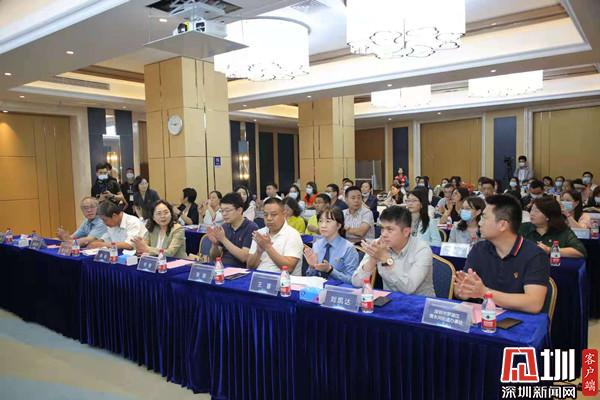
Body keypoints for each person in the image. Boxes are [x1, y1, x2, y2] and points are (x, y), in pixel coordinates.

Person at [454, 195, 549, 314]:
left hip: (519, 321)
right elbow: (463, 290)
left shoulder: (535, 255)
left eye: (484, 218)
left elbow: (534, 304)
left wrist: (485, 292)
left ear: (502, 225)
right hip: (482, 317)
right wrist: (463, 291)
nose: (480, 223)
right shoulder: (479, 249)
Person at [351, 206, 435, 296]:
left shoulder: (422, 250)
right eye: (382, 228)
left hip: (420, 301)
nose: (383, 234)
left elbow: (409, 288)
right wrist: (372, 260)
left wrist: (386, 259)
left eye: (390, 229)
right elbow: (356, 283)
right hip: (390, 300)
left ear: (406, 232)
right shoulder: (378, 245)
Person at [247, 198, 304, 276]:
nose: (269, 218)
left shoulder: (293, 235)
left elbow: (289, 268)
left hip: (283, 281)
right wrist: (258, 251)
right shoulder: (260, 233)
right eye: (265, 215)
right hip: (259, 278)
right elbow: (249, 266)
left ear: (284, 214)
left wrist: (268, 247)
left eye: (273, 214)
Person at [303, 206, 359, 283]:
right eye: (320, 221)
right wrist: (312, 266)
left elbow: (352, 281)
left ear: (339, 225)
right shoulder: (317, 245)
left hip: (338, 289)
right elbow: (310, 278)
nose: (323, 225)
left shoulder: (348, 248)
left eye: (328, 221)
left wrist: (330, 270)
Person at [519, 197, 586, 258]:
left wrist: (550, 250)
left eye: (536, 211)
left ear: (548, 216)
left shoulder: (562, 231)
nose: (532, 214)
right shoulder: (523, 228)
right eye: (532, 210)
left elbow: (580, 251)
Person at [204, 192, 258, 267]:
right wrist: (215, 244)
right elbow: (214, 257)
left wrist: (223, 239)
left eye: (227, 210)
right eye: (222, 211)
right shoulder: (224, 227)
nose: (224, 214)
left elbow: (244, 257)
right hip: (222, 267)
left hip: (240, 270)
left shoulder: (251, 227)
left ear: (239, 210)